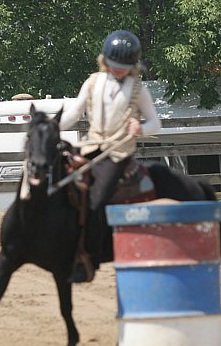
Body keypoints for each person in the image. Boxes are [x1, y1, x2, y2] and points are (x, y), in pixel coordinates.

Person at [59, 30, 161, 282]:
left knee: (96, 199)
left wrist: (141, 129)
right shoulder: (92, 82)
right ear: (105, 61)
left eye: (124, 68)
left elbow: (155, 123)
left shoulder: (139, 89)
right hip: (91, 145)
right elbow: (74, 113)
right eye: (115, 66)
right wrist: (50, 128)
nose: (118, 71)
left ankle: (88, 259)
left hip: (118, 153)